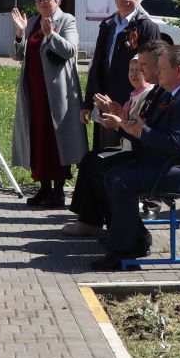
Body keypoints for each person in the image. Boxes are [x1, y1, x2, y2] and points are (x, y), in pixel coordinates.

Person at [87, 42, 180, 270]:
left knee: (121, 182)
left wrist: (138, 130)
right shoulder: (174, 92)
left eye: (162, 69)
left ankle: (122, 252)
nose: (157, 73)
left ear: (178, 71)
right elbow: (153, 127)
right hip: (163, 160)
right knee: (108, 174)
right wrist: (126, 122)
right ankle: (134, 240)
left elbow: (175, 144)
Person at [65, 41, 163, 238]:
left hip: (141, 155)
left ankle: (113, 226)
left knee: (99, 167)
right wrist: (116, 113)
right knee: (90, 160)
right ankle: (89, 220)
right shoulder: (133, 96)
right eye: (131, 69)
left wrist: (119, 121)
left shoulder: (152, 93)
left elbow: (140, 129)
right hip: (131, 148)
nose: (135, 74)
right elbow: (131, 126)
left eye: (140, 69)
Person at [10, 0, 86, 208]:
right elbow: (17, 55)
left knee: (57, 141)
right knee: (38, 138)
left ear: (57, 0)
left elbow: (71, 50)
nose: (42, 2)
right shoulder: (31, 22)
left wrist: (51, 35)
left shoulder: (67, 20)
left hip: (58, 95)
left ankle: (59, 192)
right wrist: (20, 33)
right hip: (34, 93)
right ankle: (43, 189)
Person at [83, 0, 154, 150]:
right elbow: (97, 64)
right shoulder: (107, 25)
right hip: (106, 99)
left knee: (125, 150)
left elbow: (152, 70)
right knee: (104, 150)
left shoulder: (146, 27)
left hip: (133, 101)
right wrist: (87, 103)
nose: (126, 0)